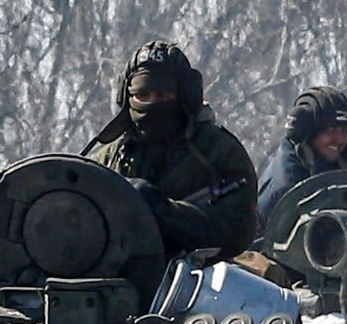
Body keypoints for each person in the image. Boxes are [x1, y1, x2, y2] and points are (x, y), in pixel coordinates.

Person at [87, 41, 258, 259]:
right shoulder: (109, 159)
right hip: (119, 280)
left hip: (198, 281)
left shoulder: (218, 152)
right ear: (127, 98)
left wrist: (163, 211)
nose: (152, 104)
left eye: (162, 95)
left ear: (184, 95)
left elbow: (238, 229)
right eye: (142, 96)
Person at [254, 85, 347, 227]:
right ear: (308, 134)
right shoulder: (289, 190)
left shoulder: (332, 165)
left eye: (343, 130)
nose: (339, 139)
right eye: (331, 130)